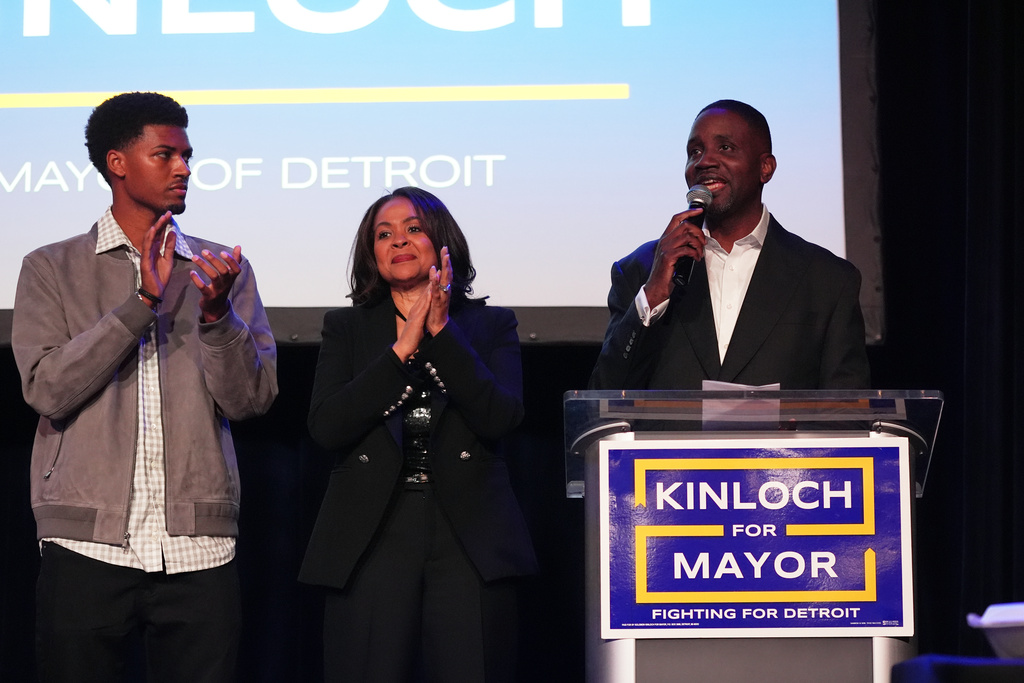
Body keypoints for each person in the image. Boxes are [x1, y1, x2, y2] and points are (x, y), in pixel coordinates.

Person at [11, 92, 278, 682]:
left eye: (188, 155)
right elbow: (48, 388)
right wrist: (143, 303)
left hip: (198, 547)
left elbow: (251, 399)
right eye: (166, 154)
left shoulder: (219, 269)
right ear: (118, 162)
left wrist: (216, 319)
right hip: (88, 543)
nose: (184, 167)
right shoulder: (51, 267)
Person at [299, 186, 537, 682]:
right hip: (373, 532)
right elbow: (327, 426)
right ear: (372, 254)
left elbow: (500, 418)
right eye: (383, 234)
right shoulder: (346, 328)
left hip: (469, 534)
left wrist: (442, 331)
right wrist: (399, 350)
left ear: (441, 241)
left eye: (413, 229)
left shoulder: (491, 325)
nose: (398, 241)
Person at [590, 99, 870, 390]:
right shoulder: (639, 270)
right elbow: (605, 399)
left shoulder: (828, 280)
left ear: (765, 168)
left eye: (725, 148)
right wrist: (653, 296)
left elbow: (845, 411)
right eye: (694, 152)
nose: (704, 161)